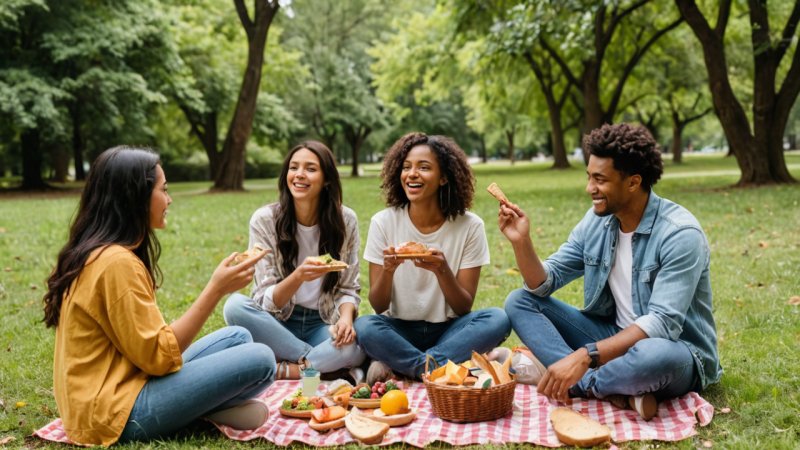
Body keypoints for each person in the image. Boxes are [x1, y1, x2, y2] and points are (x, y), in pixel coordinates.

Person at [42, 147, 275, 446]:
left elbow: (145, 348)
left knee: (239, 337)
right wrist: (215, 289)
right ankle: (203, 411)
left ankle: (203, 408)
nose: (169, 199)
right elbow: (160, 359)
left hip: (118, 388)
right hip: (114, 415)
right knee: (261, 358)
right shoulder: (116, 264)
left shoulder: (101, 252)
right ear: (135, 197)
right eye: (163, 190)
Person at [500, 123, 721, 420]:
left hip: (676, 350)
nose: (589, 188)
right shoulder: (596, 221)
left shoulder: (680, 233)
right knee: (520, 300)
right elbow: (544, 283)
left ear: (633, 182)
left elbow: (663, 323)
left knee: (651, 357)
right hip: (610, 336)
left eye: (599, 179)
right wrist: (521, 242)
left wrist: (586, 356)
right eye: (589, 177)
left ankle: (578, 382)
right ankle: (613, 387)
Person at [355, 132, 511, 384]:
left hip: (449, 331)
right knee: (365, 326)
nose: (412, 174)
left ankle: (409, 367)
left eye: (424, 167)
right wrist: (388, 270)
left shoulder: (470, 226)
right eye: (406, 167)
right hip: (399, 329)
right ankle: (440, 368)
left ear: (444, 178)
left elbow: (463, 307)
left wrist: (442, 271)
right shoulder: (383, 222)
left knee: (498, 319)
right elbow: (378, 305)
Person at [223, 141, 365, 382]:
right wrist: (298, 276)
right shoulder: (265, 220)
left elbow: (348, 287)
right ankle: (320, 365)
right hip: (277, 324)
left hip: (322, 322)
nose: (299, 175)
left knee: (356, 345)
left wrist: (345, 319)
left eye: (310, 168)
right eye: (293, 167)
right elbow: (265, 301)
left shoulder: (346, 220)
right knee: (234, 306)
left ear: (327, 179)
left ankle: (286, 367)